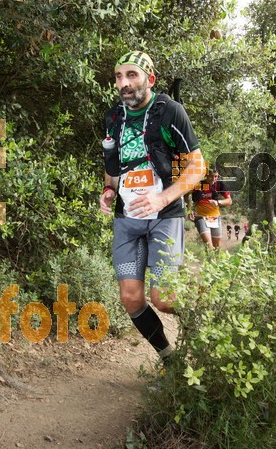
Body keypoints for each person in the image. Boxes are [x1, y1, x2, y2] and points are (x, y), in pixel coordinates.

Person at [99, 51, 205, 363]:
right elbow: (113, 165)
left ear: (150, 79)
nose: (124, 83)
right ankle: (170, 359)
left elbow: (197, 166)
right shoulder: (113, 117)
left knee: (165, 298)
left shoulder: (170, 111)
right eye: (119, 77)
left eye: (132, 75)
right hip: (128, 219)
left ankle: (205, 328)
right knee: (130, 297)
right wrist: (108, 189)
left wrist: (162, 197)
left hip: (164, 216)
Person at [187, 169, 232, 251]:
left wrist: (218, 202)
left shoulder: (219, 185)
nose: (213, 179)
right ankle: (211, 261)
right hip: (201, 216)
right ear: (206, 175)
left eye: (216, 176)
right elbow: (186, 195)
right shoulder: (199, 184)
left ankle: (216, 263)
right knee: (208, 245)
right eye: (211, 176)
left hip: (214, 216)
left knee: (217, 247)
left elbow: (229, 201)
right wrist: (189, 210)